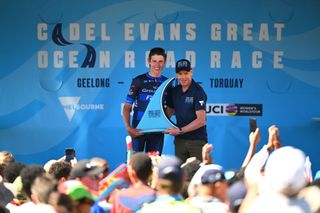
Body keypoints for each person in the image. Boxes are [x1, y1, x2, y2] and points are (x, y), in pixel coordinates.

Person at [123, 47, 168, 155]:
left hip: (157, 130)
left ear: (165, 62)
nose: (157, 65)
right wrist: (129, 128)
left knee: (154, 164)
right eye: (154, 61)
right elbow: (127, 107)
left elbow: (170, 107)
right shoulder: (139, 80)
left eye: (160, 61)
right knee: (134, 163)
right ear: (149, 61)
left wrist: (165, 123)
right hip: (138, 129)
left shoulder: (167, 83)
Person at [166, 59, 208, 163]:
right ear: (176, 74)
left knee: (197, 175)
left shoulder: (198, 91)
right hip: (180, 141)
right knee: (181, 175)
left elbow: (201, 121)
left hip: (197, 141)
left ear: (191, 72)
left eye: (186, 73)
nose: (183, 77)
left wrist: (180, 130)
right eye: (180, 74)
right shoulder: (174, 91)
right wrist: (158, 124)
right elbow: (168, 113)